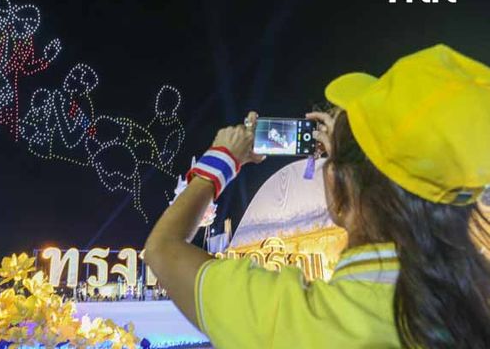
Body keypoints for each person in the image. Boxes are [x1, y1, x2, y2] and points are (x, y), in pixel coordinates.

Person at [144, 44, 490, 348]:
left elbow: (162, 249)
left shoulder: (296, 321)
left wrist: (223, 160)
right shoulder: (474, 305)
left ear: (339, 189)